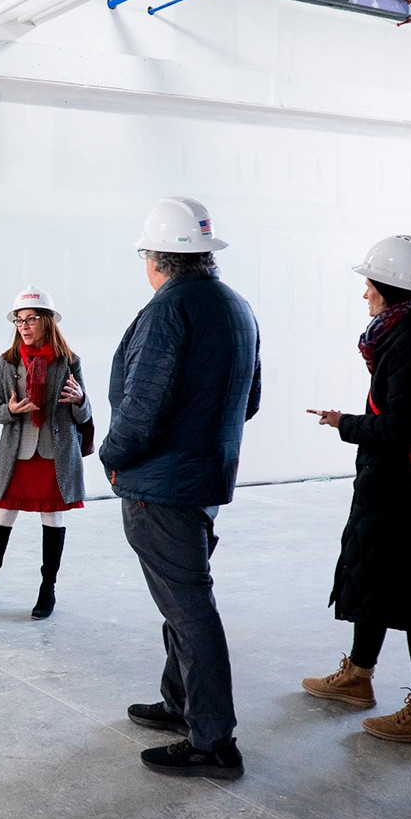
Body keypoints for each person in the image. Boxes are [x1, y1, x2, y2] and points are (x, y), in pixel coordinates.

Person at [101, 196, 260, 781]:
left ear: (157, 258)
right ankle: (181, 704)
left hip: (160, 486)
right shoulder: (235, 307)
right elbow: (251, 400)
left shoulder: (168, 311)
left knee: (190, 608)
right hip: (203, 481)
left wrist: (113, 458)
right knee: (182, 597)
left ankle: (214, 741)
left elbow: (143, 408)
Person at [303, 235, 411, 748]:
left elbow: (402, 429)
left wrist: (345, 423)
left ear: (389, 289)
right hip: (399, 493)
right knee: (375, 578)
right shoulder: (408, 335)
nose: (364, 296)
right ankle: (358, 675)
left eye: (369, 286)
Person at [0, 287, 91, 620]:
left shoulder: (70, 361)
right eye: (19, 320)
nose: (23, 326)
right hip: (17, 455)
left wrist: (80, 400)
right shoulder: (7, 362)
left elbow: (84, 415)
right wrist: (9, 409)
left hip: (55, 455)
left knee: (52, 518)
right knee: (2, 517)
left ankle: (47, 589)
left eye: (31, 319)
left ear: (47, 321)